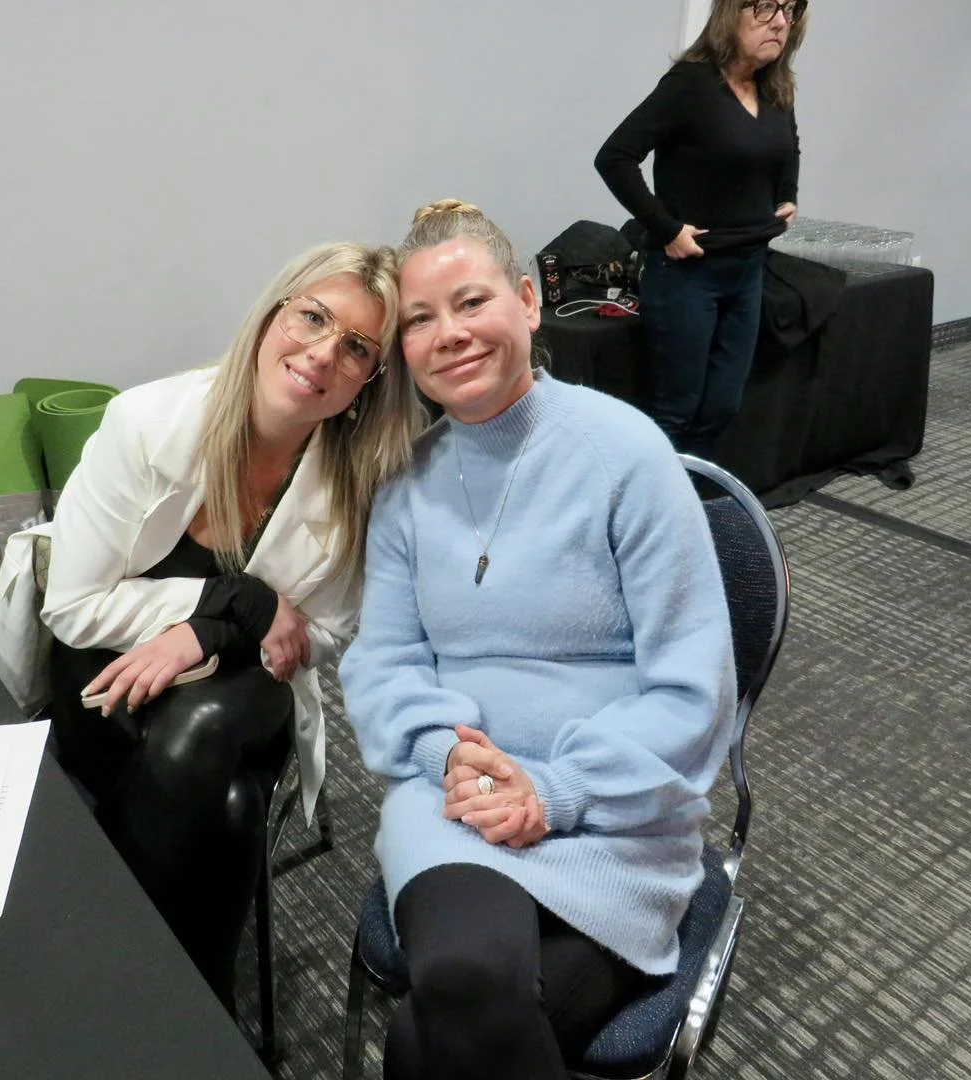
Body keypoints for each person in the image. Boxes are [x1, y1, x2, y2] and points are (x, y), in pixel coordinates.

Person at [338, 201, 736, 1080]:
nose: (450, 334)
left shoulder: (625, 453)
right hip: (458, 799)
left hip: (617, 807)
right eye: (420, 319)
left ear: (527, 301)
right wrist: (448, 757)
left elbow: (691, 690)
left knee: (421, 1044)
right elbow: (384, 661)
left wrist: (554, 791)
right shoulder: (406, 486)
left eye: (472, 302)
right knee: (469, 974)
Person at [0, 241, 423, 1012]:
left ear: (367, 382)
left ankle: (125, 987)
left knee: (205, 725)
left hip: (243, 689)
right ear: (269, 320)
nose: (323, 354)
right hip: (105, 666)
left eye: (357, 347)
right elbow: (75, 605)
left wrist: (218, 628)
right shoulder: (147, 422)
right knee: (231, 811)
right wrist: (243, 603)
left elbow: (319, 635)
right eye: (312, 318)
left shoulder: (361, 479)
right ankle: (201, 1006)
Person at [595, 0, 809, 458]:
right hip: (688, 274)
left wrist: (787, 194)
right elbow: (614, 157)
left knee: (723, 405)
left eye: (790, 11)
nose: (779, 22)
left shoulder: (775, 88)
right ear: (732, 13)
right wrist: (667, 229)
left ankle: (689, 503)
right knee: (677, 411)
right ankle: (651, 517)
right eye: (767, 7)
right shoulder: (690, 85)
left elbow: (788, 147)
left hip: (749, 269)